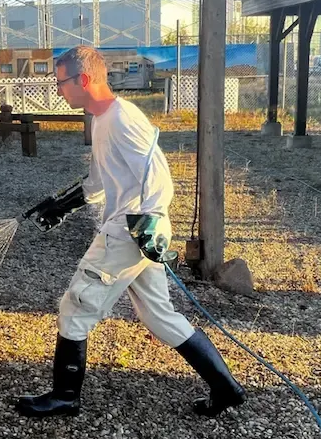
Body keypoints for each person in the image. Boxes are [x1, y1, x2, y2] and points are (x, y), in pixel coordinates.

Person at [15, 46, 245, 419]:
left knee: (77, 306)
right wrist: (62, 204)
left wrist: (148, 221)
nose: (58, 90)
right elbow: (101, 179)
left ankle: (64, 397)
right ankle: (225, 388)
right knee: (159, 316)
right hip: (138, 230)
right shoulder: (101, 119)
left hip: (132, 231)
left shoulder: (123, 118)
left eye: (61, 83)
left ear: (84, 80)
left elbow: (156, 173)